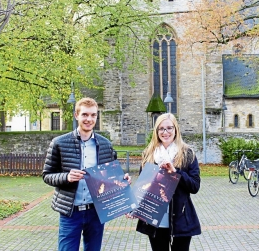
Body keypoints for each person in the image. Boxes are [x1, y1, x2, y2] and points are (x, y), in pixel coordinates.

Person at [42, 97, 130, 251]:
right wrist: (66, 177)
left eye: (93, 115)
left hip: (96, 212)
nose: (89, 119)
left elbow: (111, 177)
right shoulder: (59, 143)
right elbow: (47, 175)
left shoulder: (105, 144)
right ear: (76, 115)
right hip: (70, 212)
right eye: (85, 115)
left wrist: (122, 180)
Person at [135, 113, 201, 251]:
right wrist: (134, 206)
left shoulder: (187, 154)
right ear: (156, 131)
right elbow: (142, 187)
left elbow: (195, 186)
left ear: (176, 129)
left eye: (169, 128)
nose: (165, 132)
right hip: (154, 218)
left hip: (180, 218)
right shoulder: (149, 154)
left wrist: (176, 173)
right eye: (161, 129)